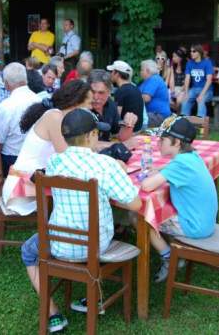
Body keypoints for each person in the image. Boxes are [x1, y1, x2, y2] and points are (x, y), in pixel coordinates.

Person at [20, 108, 141, 332]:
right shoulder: (105, 165)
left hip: (58, 242)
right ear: (90, 136)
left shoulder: (55, 162)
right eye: (97, 133)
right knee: (110, 225)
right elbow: (135, 204)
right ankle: (95, 295)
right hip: (96, 245)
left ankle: (53, 314)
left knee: (28, 251)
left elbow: (39, 176)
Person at [139, 116, 217, 282]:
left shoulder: (180, 164)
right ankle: (170, 251)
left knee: (141, 219)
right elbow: (170, 168)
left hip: (194, 227)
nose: (158, 143)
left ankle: (169, 258)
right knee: (157, 211)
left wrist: (150, 175)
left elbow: (146, 186)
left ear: (177, 143)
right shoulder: (191, 157)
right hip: (204, 222)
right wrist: (159, 170)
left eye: (163, 139)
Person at [1, 80, 92, 216]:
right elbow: (68, 156)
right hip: (22, 190)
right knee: (84, 187)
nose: (91, 108)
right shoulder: (55, 117)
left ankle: (71, 230)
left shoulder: (59, 116)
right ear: (76, 102)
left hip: (35, 181)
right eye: (89, 103)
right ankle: (74, 230)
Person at [0, 63, 41, 176]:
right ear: (25, 79)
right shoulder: (39, 100)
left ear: (6, 84)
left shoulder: (6, 106)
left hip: (12, 160)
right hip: (36, 157)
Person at [87, 70, 137, 143]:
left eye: (101, 93)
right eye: (92, 91)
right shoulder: (82, 109)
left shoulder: (111, 105)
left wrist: (129, 125)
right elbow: (85, 144)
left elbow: (120, 136)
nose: (95, 97)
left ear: (109, 92)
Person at [108, 60, 144, 131]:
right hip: (138, 129)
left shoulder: (121, 91)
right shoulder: (135, 88)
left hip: (127, 132)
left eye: (111, 71)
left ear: (117, 74)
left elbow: (116, 117)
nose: (110, 74)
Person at [181, 44, 213, 117]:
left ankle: (200, 125)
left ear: (199, 52)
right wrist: (186, 93)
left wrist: (201, 94)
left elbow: (209, 80)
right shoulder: (189, 63)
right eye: (191, 51)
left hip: (206, 90)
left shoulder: (207, 62)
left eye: (194, 51)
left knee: (201, 100)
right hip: (194, 89)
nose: (191, 53)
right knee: (185, 100)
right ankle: (184, 123)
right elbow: (187, 79)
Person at [138, 59, 171, 127]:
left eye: (141, 70)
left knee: (133, 120)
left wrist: (132, 98)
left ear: (148, 70)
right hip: (153, 114)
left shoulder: (154, 79)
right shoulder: (147, 81)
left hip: (159, 116)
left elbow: (146, 98)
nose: (140, 72)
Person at [167, 48, 187, 113]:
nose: (173, 58)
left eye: (175, 56)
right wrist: (173, 93)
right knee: (169, 99)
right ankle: (176, 114)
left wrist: (180, 91)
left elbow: (186, 82)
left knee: (179, 100)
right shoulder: (172, 67)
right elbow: (171, 82)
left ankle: (177, 115)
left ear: (180, 58)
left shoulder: (187, 67)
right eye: (173, 56)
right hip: (173, 88)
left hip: (183, 89)